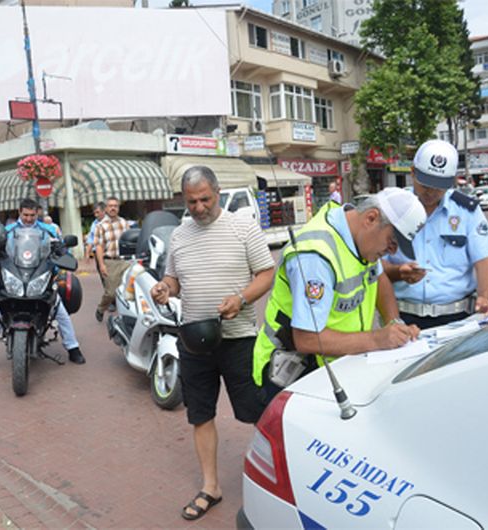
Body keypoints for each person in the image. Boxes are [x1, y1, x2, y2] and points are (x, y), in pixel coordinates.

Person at [149, 166, 275, 521]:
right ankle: (211, 487)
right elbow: (174, 278)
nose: (199, 208)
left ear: (217, 193)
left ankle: (276, 482)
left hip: (239, 339)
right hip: (194, 340)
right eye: (192, 202)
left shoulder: (242, 227)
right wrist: (165, 289)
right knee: (200, 414)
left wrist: (241, 299)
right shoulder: (179, 234)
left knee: (256, 411)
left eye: (205, 199)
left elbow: (267, 273)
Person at [251, 187, 425, 401]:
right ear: (371, 218)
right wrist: (378, 339)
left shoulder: (359, 236)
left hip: (336, 364)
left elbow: (378, 277)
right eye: (392, 242)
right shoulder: (316, 256)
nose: (392, 252)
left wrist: (394, 323)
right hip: (293, 372)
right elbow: (307, 339)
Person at [382, 139, 488, 329]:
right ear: (412, 172)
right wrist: (398, 272)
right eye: (425, 184)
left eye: (439, 186)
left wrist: (485, 298)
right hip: (402, 316)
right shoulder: (393, 207)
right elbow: (374, 264)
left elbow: (485, 260)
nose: (431, 192)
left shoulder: (466, 211)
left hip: (458, 317)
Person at [0, 198, 85, 373]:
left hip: (40, 275)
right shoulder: (7, 232)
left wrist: (62, 253)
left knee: (59, 311)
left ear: (37, 214)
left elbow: (62, 250)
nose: (28, 219)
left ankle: (73, 348)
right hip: (15, 276)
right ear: (19, 212)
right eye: (25, 215)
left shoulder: (49, 231)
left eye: (32, 215)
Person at [94, 197, 128, 322]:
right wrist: (101, 265)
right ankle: (101, 309)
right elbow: (98, 246)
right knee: (111, 293)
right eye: (110, 206)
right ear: (106, 209)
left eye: (115, 206)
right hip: (110, 261)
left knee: (129, 289)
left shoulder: (124, 223)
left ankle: (127, 316)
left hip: (125, 261)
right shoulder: (100, 226)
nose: (113, 208)